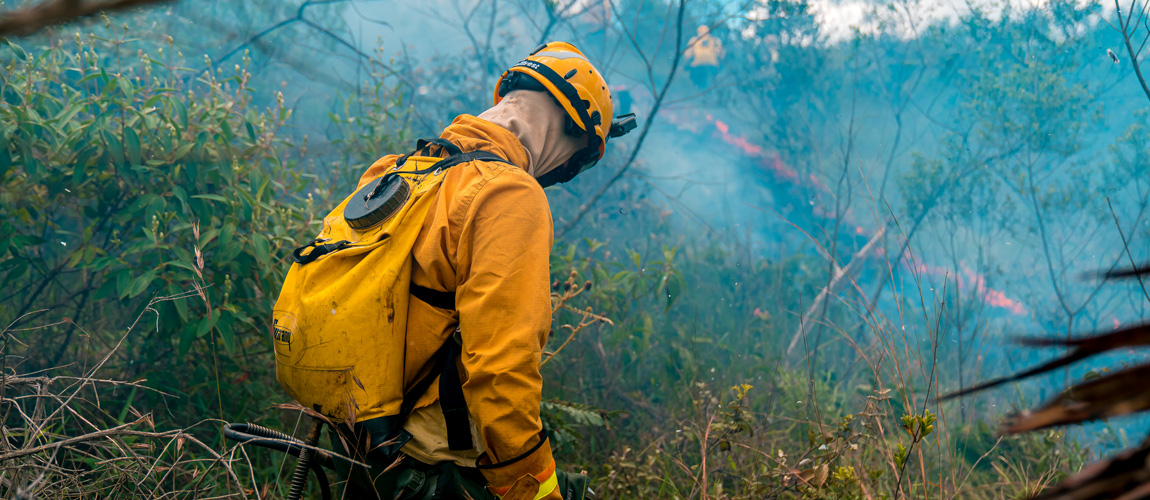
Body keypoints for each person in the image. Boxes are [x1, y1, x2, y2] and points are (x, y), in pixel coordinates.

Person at [326, 41, 633, 500]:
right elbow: (502, 371)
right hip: (432, 465)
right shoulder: (507, 194)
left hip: (360, 441)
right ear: (571, 134)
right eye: (578, 159)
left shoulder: (398, 171)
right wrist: (532, 488)